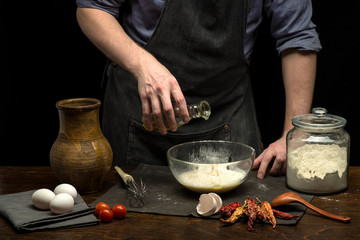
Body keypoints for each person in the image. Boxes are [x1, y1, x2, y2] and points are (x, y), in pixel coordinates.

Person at [75, 0, 321, 179]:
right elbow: (92, 8)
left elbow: (297, 36)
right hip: (138, 120)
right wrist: (142, 64)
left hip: (228, 115)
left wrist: (295, 133)